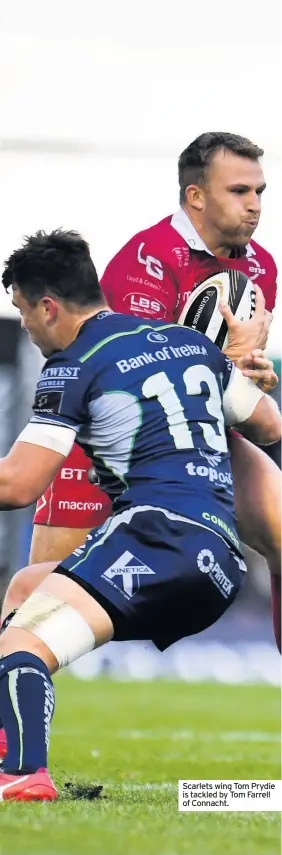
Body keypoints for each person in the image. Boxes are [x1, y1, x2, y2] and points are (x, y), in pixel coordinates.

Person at [0, 228, 280, 801]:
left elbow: (19, 485)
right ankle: (9, 743)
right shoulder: (188, 344)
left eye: (23, 312)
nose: (26, 328)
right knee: (27, 590)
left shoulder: (74, 364)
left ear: (48, 306)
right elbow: (270, 424)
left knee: (21, 646)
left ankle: (23, 776)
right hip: (219, 565)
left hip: (158, 538)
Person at [2, 132, 280, 640]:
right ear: (196, 196)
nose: (255, 205)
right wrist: (234, 365)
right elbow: (133, 374)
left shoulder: (260, 265)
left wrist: (250, 375)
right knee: (37, 604)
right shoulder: (146, 260)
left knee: (281, 527)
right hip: (108, 436)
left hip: (199, 434)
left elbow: (238, 392)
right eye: (239, 191)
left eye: (259, 191)